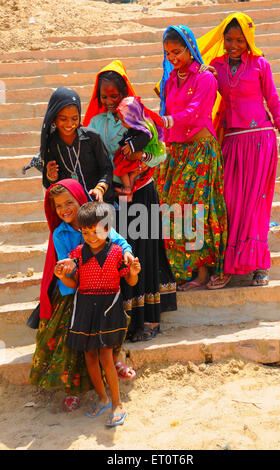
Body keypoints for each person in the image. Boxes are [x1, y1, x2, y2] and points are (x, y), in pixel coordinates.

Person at [195, 13, 280, 288]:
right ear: (223, 39)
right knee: (231, 203)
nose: (234, 44)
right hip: (232, 141)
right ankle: (229, 265)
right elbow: (201, 93)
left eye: (240, 39)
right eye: (229, 39)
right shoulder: (216, 66)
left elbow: (272, 100)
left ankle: (259, 265)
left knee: (255, 205)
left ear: (248, 39)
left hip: (261, 141)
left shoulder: (261, 64)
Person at [83, 60, 177, 342]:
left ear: (124, 92)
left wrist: (141, 158)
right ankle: (123, 321)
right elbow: (93, 161)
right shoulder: (95, 124)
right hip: (115, 198)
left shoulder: (138, 114)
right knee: (120, 255)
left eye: (115, 95)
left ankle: (148, 320)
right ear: (98, 97)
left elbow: (160, 153)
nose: (110, 101)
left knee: (143, 254)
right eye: (104, 96)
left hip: (144, 194)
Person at [29, 179, 136, 411]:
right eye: (58, 206)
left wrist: (126, 253)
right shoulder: (60, 232)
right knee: (72, 344)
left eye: (69, 202)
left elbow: (118, 240)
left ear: (80, 199)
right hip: (74, 292)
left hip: (102, 288)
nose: (64, 209)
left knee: (109, 331)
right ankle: (73, 389)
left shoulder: (99, 220)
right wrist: (66, 269)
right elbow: (69, 262)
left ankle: (116, 363)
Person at [155, 25, 228, 291]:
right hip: (176, 151)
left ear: (190, 48)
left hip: (200, 151)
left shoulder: (206, 77)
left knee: (196, 209)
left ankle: (201, 272)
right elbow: (167, 111)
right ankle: (181, 269)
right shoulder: (171, 79)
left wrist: (167, 120)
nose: (172, 58)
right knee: (171, 208)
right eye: (167, 53)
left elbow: (196, 111)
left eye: (177, 51)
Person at [56, 201, 141, 426]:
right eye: (86, 232)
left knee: (106, 356)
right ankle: (102, 398)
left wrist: (133, 272)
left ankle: (117, 403)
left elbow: (130, 280)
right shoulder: (78, 253)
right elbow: (73, 284)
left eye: (96, 231)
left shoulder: (116, 252)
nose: (91, 237)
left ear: (108, 228)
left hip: (108, 306)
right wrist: (62, 276)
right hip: (85, 306)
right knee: (90, 356)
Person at [39, 86, 114, 203]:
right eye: (63, 119)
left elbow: (107, 169)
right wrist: (51, 177)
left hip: (100, 203)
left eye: (75, 118)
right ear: (54, 120)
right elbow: (54, 184)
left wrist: (100, 188)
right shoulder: (52, 145)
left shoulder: (92, 137)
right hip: (73, 208)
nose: (70, 124)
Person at [113, 96, 166, 201]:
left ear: (133, 119)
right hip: (135, 160)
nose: (122, 125)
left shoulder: (145, 130)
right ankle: (129, 192)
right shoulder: (135, 127)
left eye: (124, 122)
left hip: (139, 161)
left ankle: (128, 189)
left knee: (122, 170)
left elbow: (144, 138)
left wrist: (131, 147)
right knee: (130, 174)